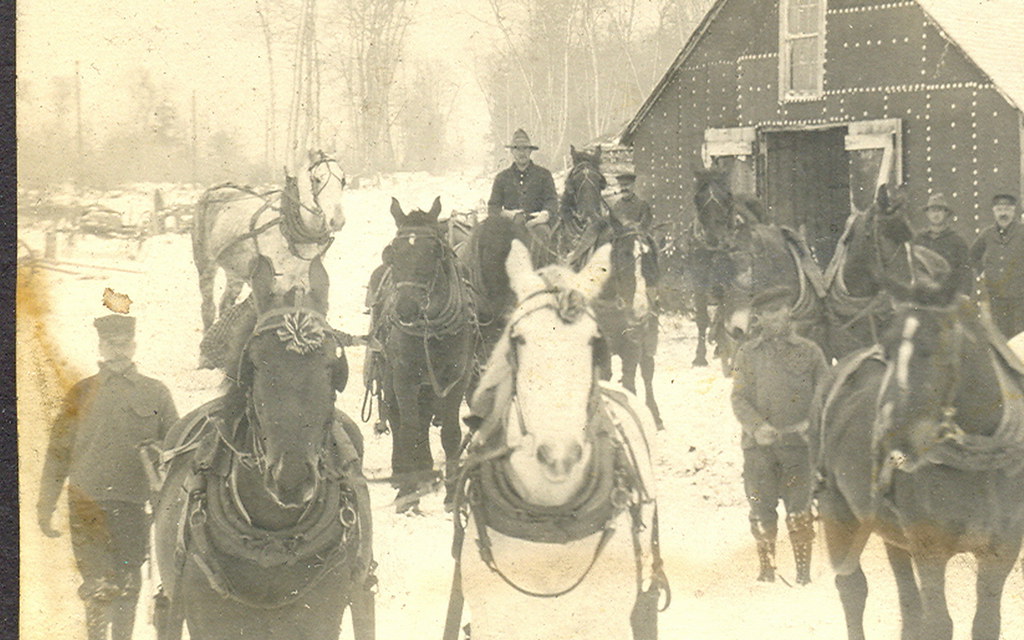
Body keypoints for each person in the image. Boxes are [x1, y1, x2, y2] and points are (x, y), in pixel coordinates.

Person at [37, 314, 179, 640]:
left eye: (123, 344)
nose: (117, 351)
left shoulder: (156, 393)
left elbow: (175, 451)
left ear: (134, 345)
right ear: (100, 346)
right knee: (99, 588)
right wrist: (45, 505)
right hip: (87, 503)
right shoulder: (80, 393)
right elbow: (58, 453)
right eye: (110, 344)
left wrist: (157, 453)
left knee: (128, 585)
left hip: (134, 505)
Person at [730, 286, 829, 585]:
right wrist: (757, 426)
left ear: (789, 312)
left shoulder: (810, 352)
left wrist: (808, 424)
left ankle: (803, 575)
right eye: (768, 313)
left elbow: (825, 394)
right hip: (758, 448)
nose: (776, 317)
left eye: (780, 310)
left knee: (799, 510)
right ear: (758, 318)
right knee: (761, 508)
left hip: (798, 448)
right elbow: (739, 398)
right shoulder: (747, 353)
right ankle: (766, 571)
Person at [487, 129, 558, 246]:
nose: (522, 153)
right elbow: (493, 207)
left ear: (530, 151)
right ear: (512, 152)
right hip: (509, 226)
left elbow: (552, 201)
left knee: (544, 237)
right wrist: (509, 214)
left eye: (525, 148)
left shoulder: (544, 175)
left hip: (537, 225)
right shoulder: (502, 178)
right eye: (518, 149)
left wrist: (544, 215)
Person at [970, 193, 1024, 338]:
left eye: (1007, 209)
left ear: (1013, 211)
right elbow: (973, 255)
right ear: (994, 212)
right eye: (999, 209)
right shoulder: (987, 234)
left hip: (1020, 296)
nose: (1003, 213)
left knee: (1019, 336)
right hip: (996, 294)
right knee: (999, 335)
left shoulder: (1022, 232)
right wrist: (982, 272)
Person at [913, 193, 971, 295]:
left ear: (946, 213)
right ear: (927, 214)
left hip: (947, 296)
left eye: (939, 210)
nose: (936, 214)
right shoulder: (918, 239)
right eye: (932, 210)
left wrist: (964, 296)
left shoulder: (957, 241)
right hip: (923, 296)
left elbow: (965, 272)